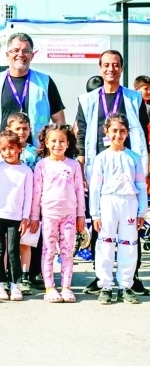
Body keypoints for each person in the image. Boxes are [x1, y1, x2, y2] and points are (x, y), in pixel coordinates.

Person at [76, 50, 150, 296]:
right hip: (100, 165)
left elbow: (140, 129)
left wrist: (144, 164)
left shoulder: (133, 98)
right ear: (99, 67)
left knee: (130, 228)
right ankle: (101, 278)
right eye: (106, 64)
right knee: (101, 224)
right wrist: (81, 159)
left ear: (121, 68)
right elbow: (82, 132)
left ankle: (132, 277)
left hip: (127, 165)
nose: (111, 69)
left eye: (116, 65)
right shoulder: (87, 100)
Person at [89, 113, 147, 305]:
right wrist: (95, 213)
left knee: (129, 245)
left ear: (127, 133)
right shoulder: (101, 158)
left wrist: (141, 212)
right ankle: (105, 285)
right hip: (108, 203)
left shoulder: (134, 158)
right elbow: (96, 188)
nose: (118, 135)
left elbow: (140, 186)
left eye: (122, 131)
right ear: (106, 131)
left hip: (129, 204)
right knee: (105, 244)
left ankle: (125, 286)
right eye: (114, 130)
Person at [29, 124, 85, 303]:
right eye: (53, 141)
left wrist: (81, 216)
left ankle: (66, 287)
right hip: (48, 216)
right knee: (49, 251)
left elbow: (79, 191)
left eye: (62, 141)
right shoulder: (41, 165)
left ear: (68, 143)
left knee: (67, 252)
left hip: (69, 215)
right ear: (46, 142)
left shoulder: (74, 165)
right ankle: (50, 287)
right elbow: (36, 193)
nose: (57, 145)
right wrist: (34, 217)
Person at [0, 32, 66, 146]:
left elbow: (59, 121)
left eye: (25, 51)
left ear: (32, 55)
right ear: (7, 54)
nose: (20, 54)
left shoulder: (45, 82)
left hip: (36, 154)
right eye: (15, 50)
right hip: (2, 154)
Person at [0, 130, 33, 301]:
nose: (8, 152)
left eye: (11, 148)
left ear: (19, 149)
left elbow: (28, 196)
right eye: (4, 149)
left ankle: (15, 284)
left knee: (12, 251)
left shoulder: (26, 171)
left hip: (16, 217)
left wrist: (25, 217)